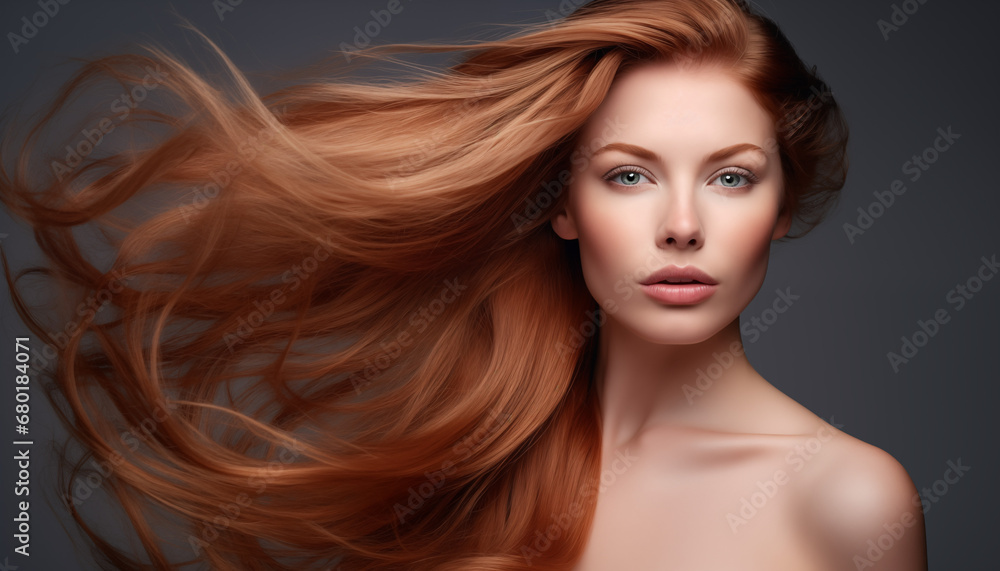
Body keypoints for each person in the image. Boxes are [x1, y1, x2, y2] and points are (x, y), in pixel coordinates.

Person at [0, 0, 927, 569]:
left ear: (781, 201)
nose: (682, 223)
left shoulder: (848, 499)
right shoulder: (475, 466)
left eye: (731, 176)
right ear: (562, 205)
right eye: (629, 174)